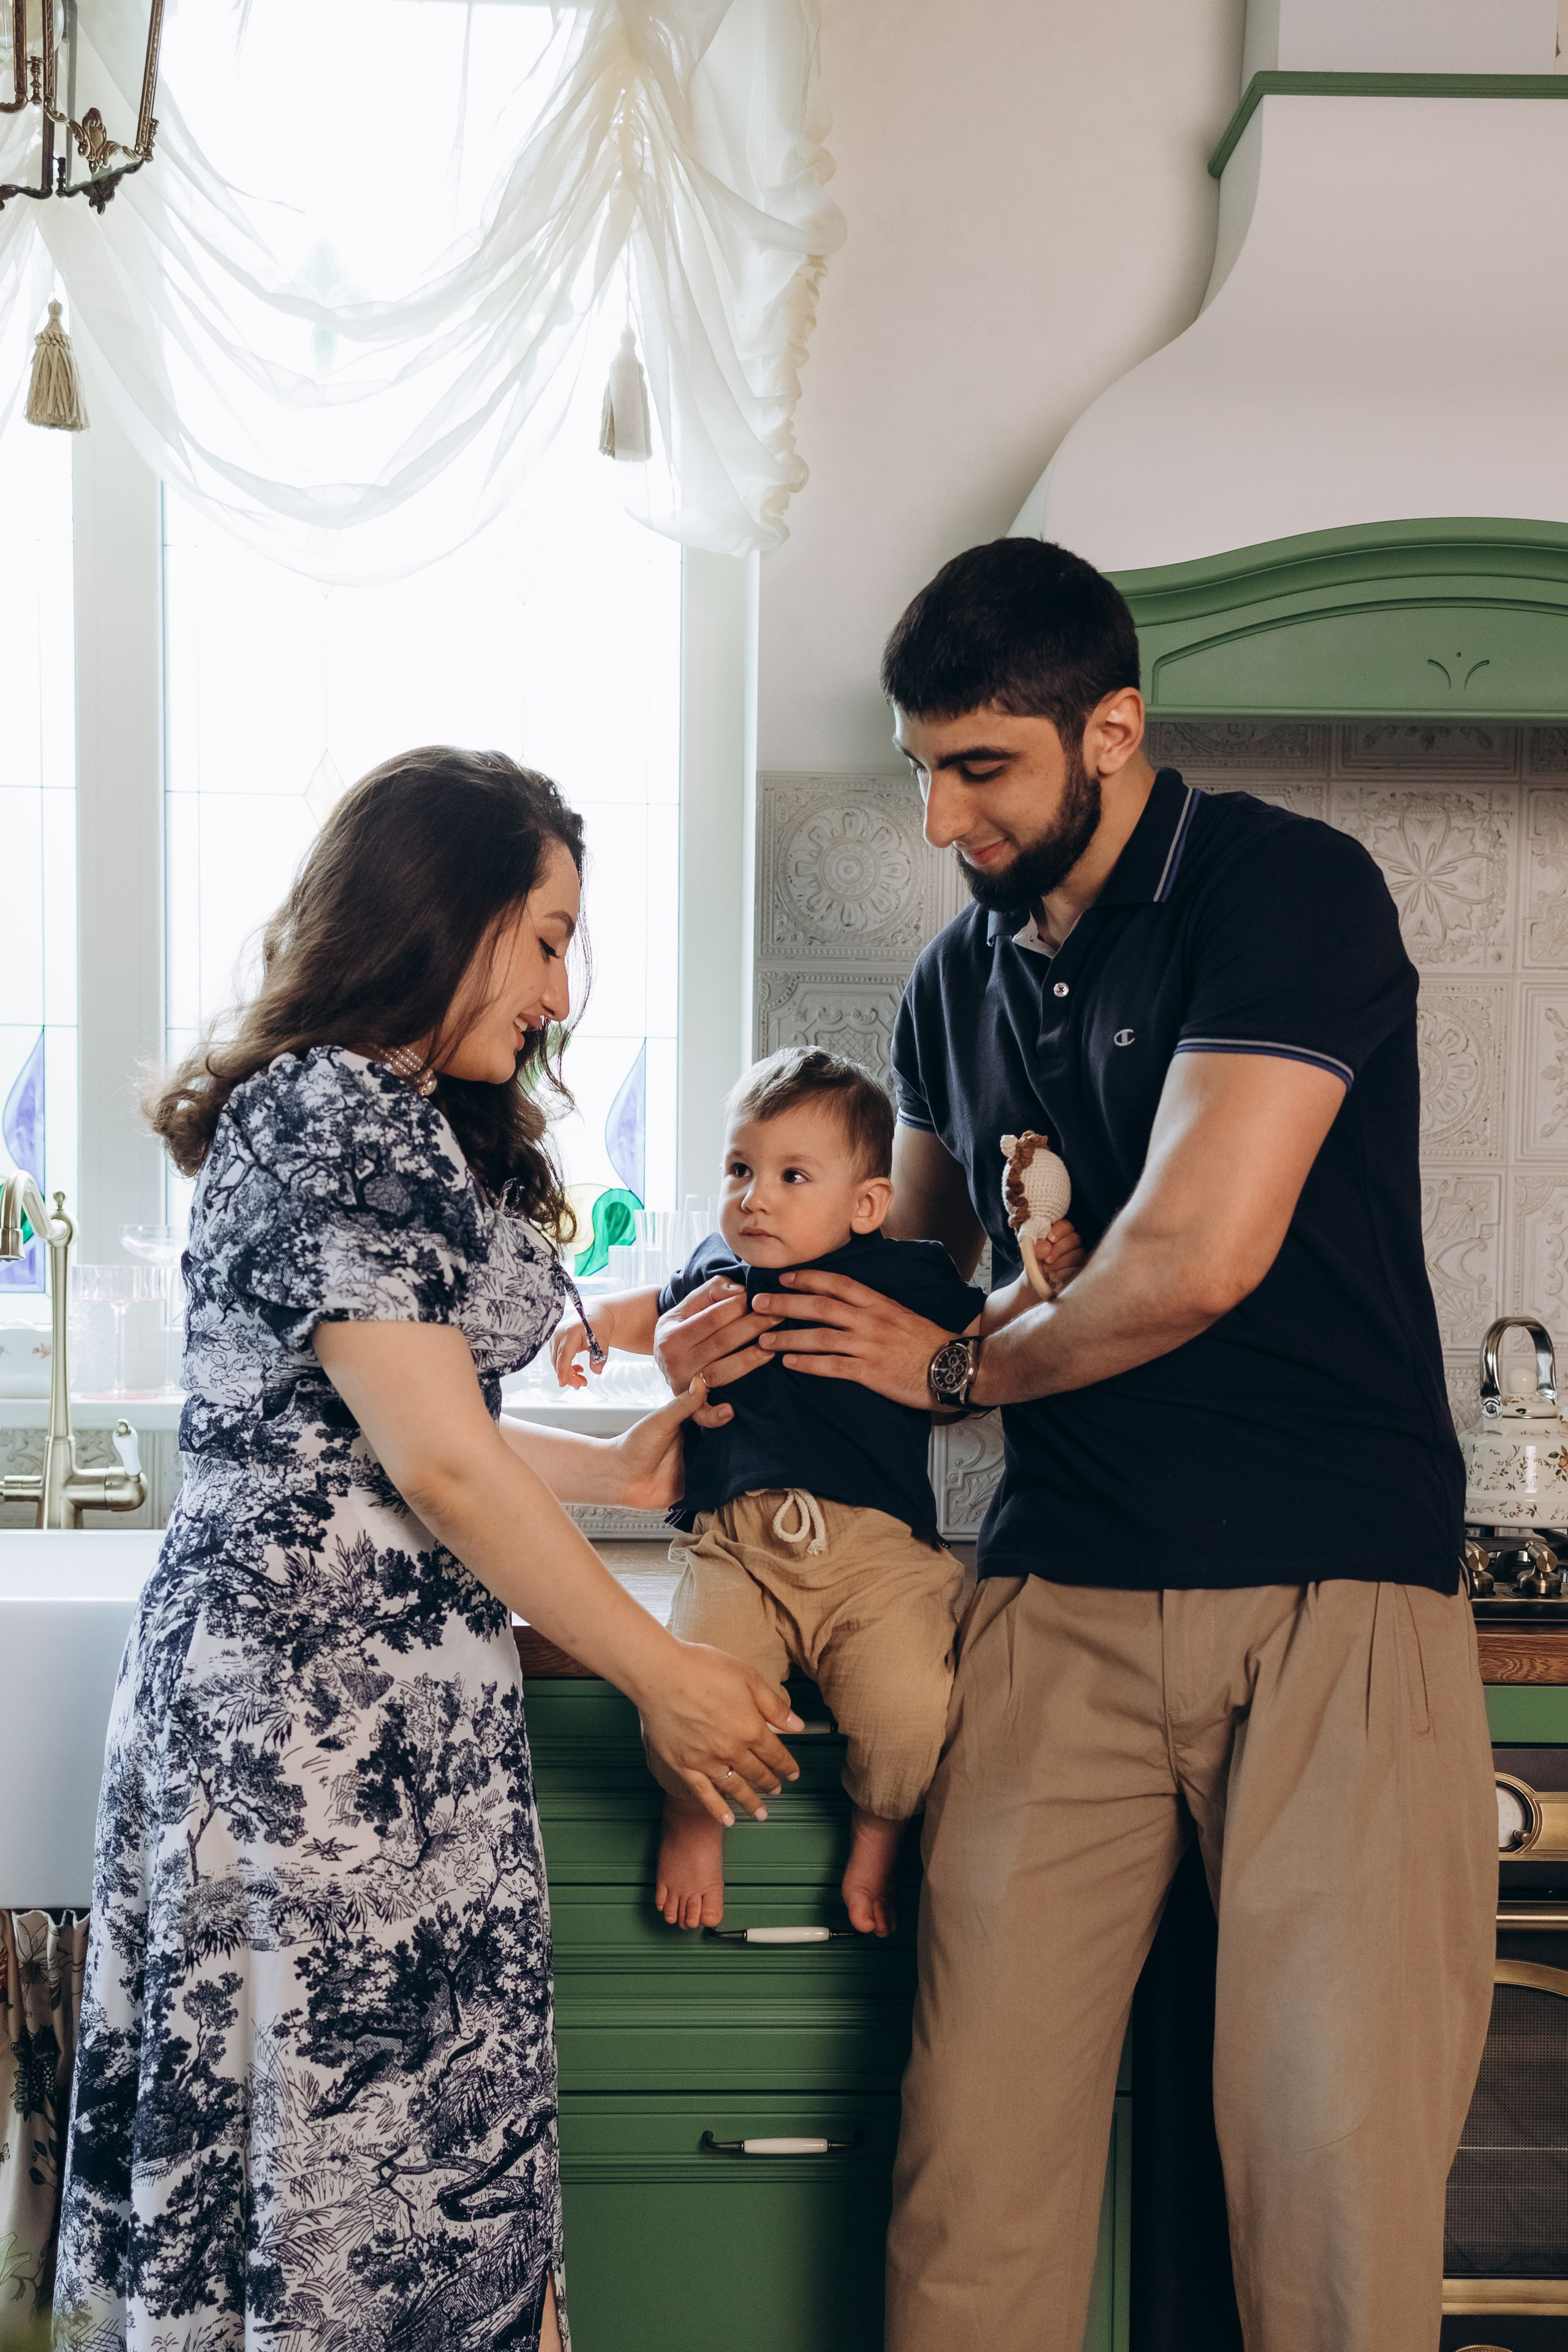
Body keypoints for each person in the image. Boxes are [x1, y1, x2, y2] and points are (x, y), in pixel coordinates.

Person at [655, 541, 1499, 2352]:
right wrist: (711, 1318)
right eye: (921, 770)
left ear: (1110, 730)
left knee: (1329, 2190)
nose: (942, 819)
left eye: (983, 768)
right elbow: (907, 1277)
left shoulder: (1284, 890)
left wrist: (957, 1372)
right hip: (1057, 1601)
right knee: (974, 2181)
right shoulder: (952, 984)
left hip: (1329, 1594)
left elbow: (1192, 1258)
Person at [52, 748, 801, 2352]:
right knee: (342, 2201)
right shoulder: (330, 1109)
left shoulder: (387, 1114)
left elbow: (396, 1430)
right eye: (547, 938)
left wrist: (621, 1463)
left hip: (380, 1746)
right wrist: (663, 1674)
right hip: (308, 1755)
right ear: (443, 912)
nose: (560, 991)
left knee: (386, 2188)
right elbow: (439, 1466)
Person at [551, 1046, 1082, 1936]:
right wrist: (598, 1323)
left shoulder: (905, 1272)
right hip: (736, 1549)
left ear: (866, 1204)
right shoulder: (718, 1269)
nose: (754, 1197)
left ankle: (879, 1834)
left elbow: (980, 1329)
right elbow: (655, 1311)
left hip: (878, 1561)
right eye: (740, 1169)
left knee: (912, 1710)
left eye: (792, 1176)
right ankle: (692, 1818)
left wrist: (1037, 1283)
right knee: (691, 1696)